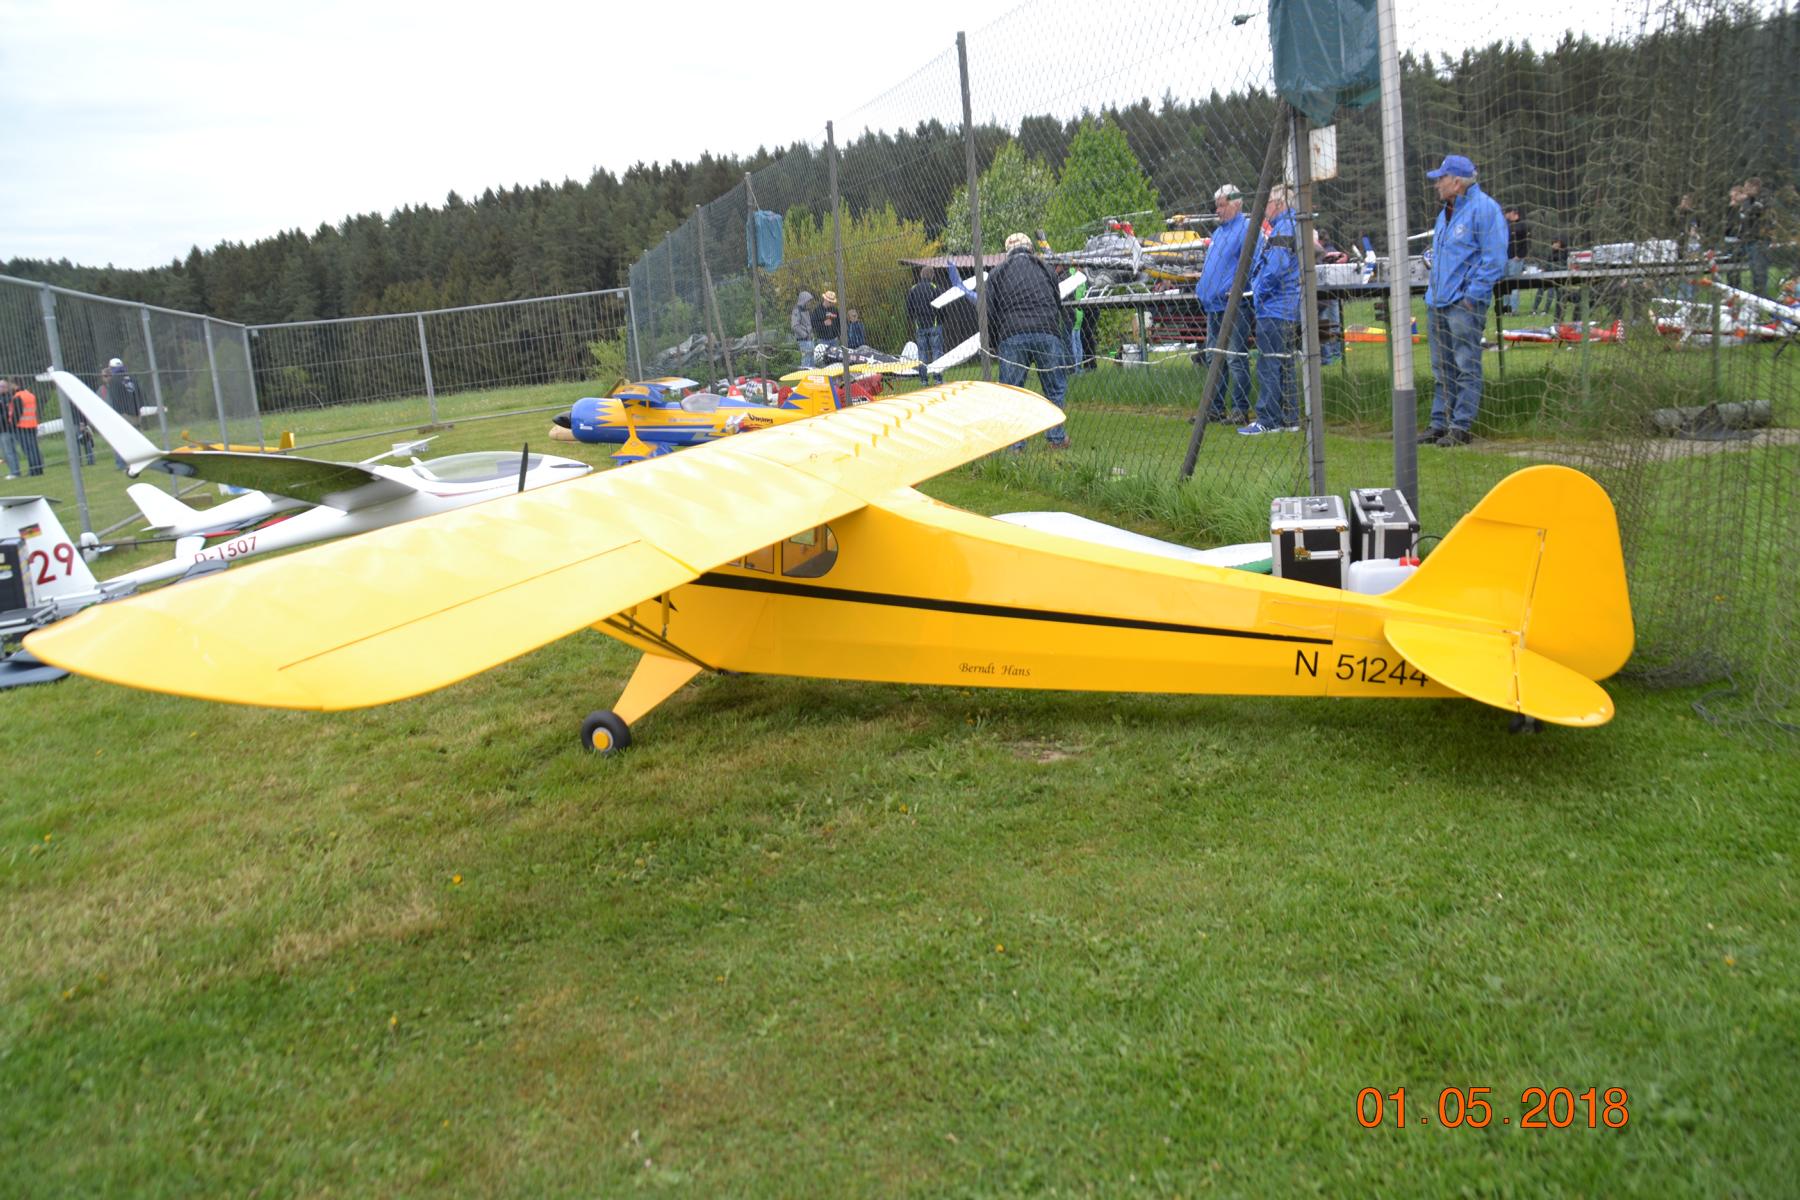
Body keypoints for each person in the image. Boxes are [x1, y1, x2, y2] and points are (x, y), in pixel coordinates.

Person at [1419, 154, 1506, 447]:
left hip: (1463, 304)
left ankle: (1460, 426)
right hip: (1438, 302)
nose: (1437, 185)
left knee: (1466, 364)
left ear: (1456, 182)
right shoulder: (1444, 213)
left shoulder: (1485, 209)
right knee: (1441, 368)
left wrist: (1472, 296)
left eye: (1441, 179)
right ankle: (1439, 423)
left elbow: (1494, 258)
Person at [985, 231, 1070, 448]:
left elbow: (990, 313)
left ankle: (1016, 444)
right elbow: (1057, 302)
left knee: (1013, 392)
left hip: (1012, 333)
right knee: (1054, 388)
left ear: (1007, 252)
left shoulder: (997, 273)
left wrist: (995, 342)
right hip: (1046, 330)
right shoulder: (1045, 268)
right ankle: (1056, 438)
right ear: (1031, 248)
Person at [1240, 185, 1301, 436]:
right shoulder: (1292, 225)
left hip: (1274, 307)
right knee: (1285, 363)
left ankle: (1268, 418)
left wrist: (1258, 290)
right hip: (1286, 307)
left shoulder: (1283, 228)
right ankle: (1289, 417)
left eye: (1267, 203)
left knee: (1269, 363)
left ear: (1279, 203)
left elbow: (1275, 267)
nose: (1264, 209)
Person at [1194, 183, 1253, 423]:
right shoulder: (1218, 234)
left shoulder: (1247, 229)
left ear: (1236, 204)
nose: (1217, 210)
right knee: (1213, 357)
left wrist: (1238, 288)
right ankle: (1215, 408)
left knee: (1235, 357)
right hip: (1213, 305)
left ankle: (1239, 409)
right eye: (1216, 206)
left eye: (1221, 205)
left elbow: (1252, 262)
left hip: (1233, 305)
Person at [101, 357, 144, 469]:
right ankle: (140, 460)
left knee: (119, 439)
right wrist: (138, 409)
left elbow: (114, 399)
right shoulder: (132, 378)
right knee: (137, 439)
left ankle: (121, 464)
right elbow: (140, 395)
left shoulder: (113, 381)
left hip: (123, 414)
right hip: (136, 413)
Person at [905, 271, 945, 383]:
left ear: (921, 275)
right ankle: (937, 378)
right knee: (936, 351)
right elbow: (941, 305)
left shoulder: (913, 289)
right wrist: (942, 319)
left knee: (922, 352)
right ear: (932, 275)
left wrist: (914, 318)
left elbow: (908, 307)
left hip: (920, 325)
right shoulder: (934, 287)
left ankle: (923, 380)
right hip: (934, 324)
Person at [7, 378, 43, 476]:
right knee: (34, 448)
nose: (10, 387)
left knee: (28, 449)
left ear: (16, 385)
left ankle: (33, 470)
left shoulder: (18, 396)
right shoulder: (30, 395)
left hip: (22, 426)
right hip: (32, 424)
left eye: (11, 385)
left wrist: (12, 425)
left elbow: (17, 413)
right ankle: (38, 469)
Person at [1530, 236, 1568, 319]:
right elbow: (1546, 262)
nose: (1554, 245)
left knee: (1551, 292)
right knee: (1540, 290)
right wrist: (1543, 268)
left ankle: (1545, 310)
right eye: (1553, 243)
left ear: (1560, 244)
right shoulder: (1550, 252)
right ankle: (1534, 309)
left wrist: (1550, 266)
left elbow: (1561, 265)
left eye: (1556, 243)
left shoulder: (1564, 253)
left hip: (1557, 277)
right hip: (1548, 275)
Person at [1503, 206, 1529, 313]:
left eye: (1506, 213)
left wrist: (1519, 256)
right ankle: (1505, 308)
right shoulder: (1507, 226)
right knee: (1505, 283)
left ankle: (1513, 309)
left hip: (1515, 259)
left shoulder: (1522, 225)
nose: (1505, 216)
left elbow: (1526, 242)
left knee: (1514, 283)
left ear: (1512, 213)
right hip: (1505, 259)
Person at [789, 291, 817, 368]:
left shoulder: (806, 310)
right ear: (804, 300)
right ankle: (804, 374)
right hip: (803, 340)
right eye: (809, 301)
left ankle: (811, 375)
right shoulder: (797, 310)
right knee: (806, 361)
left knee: (812, 361)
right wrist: (805, 335)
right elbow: (794, 326)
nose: (810, 303)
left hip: (809, 339)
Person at [0, 377, 19, 479]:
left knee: (9, 452)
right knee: (6, 452)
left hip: (6, 429)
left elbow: (7, 415)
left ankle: (15, 472)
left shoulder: (8, 398)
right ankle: (14, 471)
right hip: (2, 429)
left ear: (6, 387)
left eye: (1, 386)